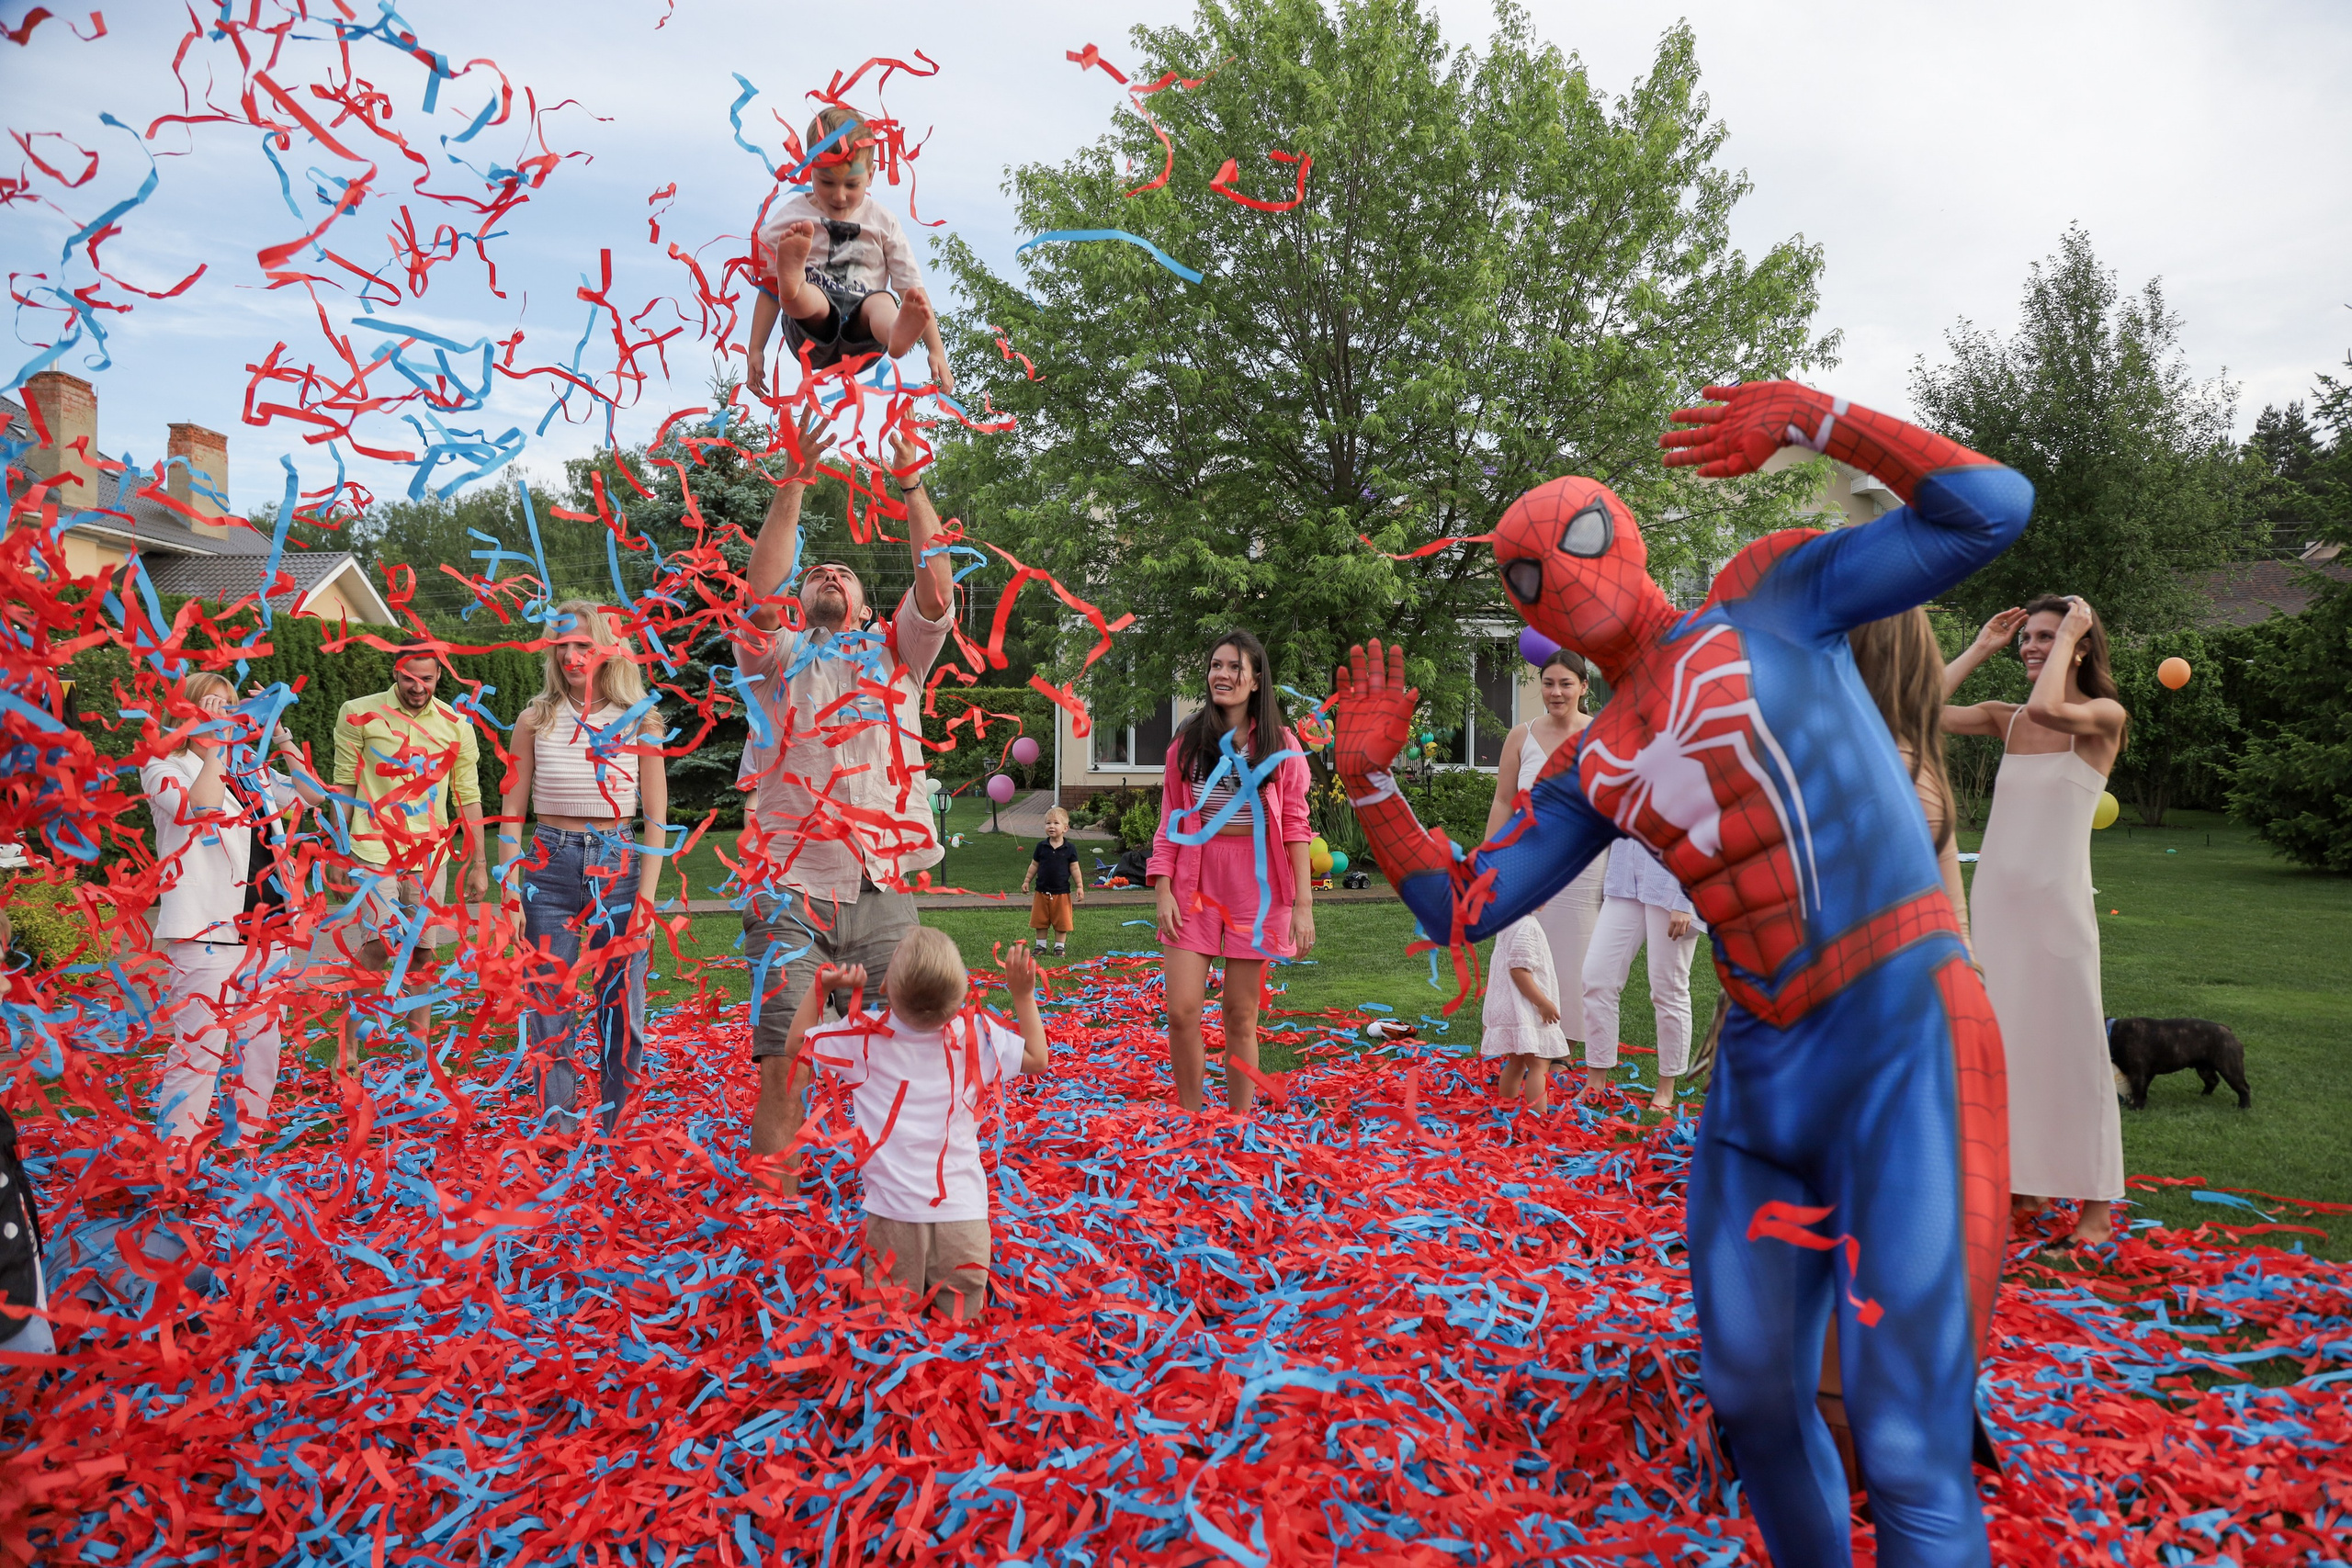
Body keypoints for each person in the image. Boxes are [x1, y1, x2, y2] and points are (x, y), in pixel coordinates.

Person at [1335, 379, 2032, 1567]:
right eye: (1527, 566)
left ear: (1631, 528)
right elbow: (1465, 902)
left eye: (1577, 531)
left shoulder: (1772, 592)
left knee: (1909, 1439)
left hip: (1901, 1020)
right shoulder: (1594, 763)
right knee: (1757, 1401)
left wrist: (1819, 419)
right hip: (1767, 1074)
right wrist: (1370, 786)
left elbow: (1988, 509)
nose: (1560, 566)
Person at [738, 417, 956, 1185]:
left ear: (868, 609)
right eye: (817, 572)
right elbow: (757, 593)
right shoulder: (775, 656)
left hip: (881, 892)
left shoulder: (898, 654)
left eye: (845, 573)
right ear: (800, 604)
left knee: (918, 1050)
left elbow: (936, 591)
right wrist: (796, 477)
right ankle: (774, 1224)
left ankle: (907, 1201)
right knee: (786, 1063)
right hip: (789, 890)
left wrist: (910, 482)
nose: (831, 573)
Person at [1944, 594, 2128, 1247]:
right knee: (2004, 1047)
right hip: (1996, 907)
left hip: (2057, 913)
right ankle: (2024, 1183)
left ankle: (2099, 1206)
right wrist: (1980, 647)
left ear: (2078, 644)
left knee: (2072, 1049)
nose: (2029, 646)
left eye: (2043, 637)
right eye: (2026, 637)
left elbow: (2055, 707)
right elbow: (1909, 709)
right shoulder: (2008, 718)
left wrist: (2074, 629)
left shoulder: (2103, 716)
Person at [793, 931, 1048, 1320]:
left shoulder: (864, 1037)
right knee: (962, 1326)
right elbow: (1036, 1058)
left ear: (886, 988)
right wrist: (1023, 994)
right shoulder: (975, 1034)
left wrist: (820, 990)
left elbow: (797, 1045)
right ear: (963, 995)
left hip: (892, 1217)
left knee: (888, 1323)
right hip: (964, 1216)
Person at [497, 601, 670, 1140]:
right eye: (562, 645)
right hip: (547, 868)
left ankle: (621, 1126)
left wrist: (644, 901)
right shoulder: (534, 719)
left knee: (623, 1010)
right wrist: (509, 889)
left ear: (607, 650)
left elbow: (658, 821)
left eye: (583, 645)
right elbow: (511, 813)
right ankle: (558, 1128)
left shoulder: (640, 718)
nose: (571, 655)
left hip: (617, 863)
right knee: (548, 1009)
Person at [141, 672, 327, 1145]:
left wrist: (280, 735)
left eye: (229, 702)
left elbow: (312, 796)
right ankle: (177, 1159)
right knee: (199, 1051)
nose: (224, 709)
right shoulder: (164, 764)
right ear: (185, 709)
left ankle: (246, 1145)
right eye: (211, 702)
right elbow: (199, 807)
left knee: (262, 1047)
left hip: (268, 930)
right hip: (207, 933)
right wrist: (217, 746)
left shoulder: (250, 769)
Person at [1147, 631, 1316, 1113]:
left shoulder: (1281, 744)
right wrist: (1163, 889)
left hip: (1258, 887)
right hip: (1194, 879)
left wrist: (1303, 906)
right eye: (1215, 665)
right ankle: (1192, 1115)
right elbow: (1170, 822)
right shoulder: (1187, 741)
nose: (1222, 675)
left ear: (1256, 680)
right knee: (1181, 1011)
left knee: (1241, 1015)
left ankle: (1240, 1121)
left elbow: (1297, 827)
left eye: (1234, 667)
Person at [331, 635, 490, 1053]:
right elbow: (345, 785)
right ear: (395, 672)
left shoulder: (457, 726)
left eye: (426, 678)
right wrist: (336, 848)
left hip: (429, 859)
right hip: (373, 852)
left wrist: (478, 863)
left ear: (439, 675)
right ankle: (348, 1052)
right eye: (408, 678)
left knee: (422, 956)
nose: (418, 687)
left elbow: (468, 796)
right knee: (377, 947)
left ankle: (422, 1055)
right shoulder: (358, 713)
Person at [745, 105, 952, 397]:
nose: (839, 196)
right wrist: (756, 347)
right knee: (812, 299)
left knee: (881, 301)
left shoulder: (883, 221)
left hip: (864, 336)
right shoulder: (792, 218)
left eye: (851, 184)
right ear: (810, 169)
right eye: (826, 182)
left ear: (871, 174)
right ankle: (792, 288)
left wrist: (936, 350)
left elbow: (911, 289)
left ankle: (896, 333)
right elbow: (768, 290)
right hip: (810, 334)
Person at [1485, 649, 1610, 1057]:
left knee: (1576, 959)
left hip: (1583, 866)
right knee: (1526, 953)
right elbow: (1504, 801)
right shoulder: (1520, 736)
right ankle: (1529, 1045)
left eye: (1566, 683)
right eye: (1548, 683)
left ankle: (1564, 1048)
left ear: (1583, 687)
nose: (1556, 692)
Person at [1579, 838, 1704, 1111]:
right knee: (1597, 977)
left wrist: (1686, 899)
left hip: (1673, 885)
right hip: (1626, 877)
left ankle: (1665, 1088)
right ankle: (1596, 1080)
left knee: (1667, 989)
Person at [1480, 915, 1569, 1111]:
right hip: (1525, 1010)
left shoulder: (1509, 921)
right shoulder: (1527, 926)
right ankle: (1539, 1118)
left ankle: (1505, 1108)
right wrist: (1542, 1002)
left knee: (1516, 1063)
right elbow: (1519, 970)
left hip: (1511, 1007)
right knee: (1539, 1065)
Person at [1020, 806, 1084, 956]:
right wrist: (1027, 880)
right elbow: (1034, 865)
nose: (1051, 826)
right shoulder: (1041, 847)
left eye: (1056, 823)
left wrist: (1079, 886)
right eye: (1048, 823)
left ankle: (1059, 947)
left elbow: (1075, 869)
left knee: (1061, 922)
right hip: (1041, 891)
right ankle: (1040, 946)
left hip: (1061, 893)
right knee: (1040, 920)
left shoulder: (1070, 848)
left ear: (1065, 828)